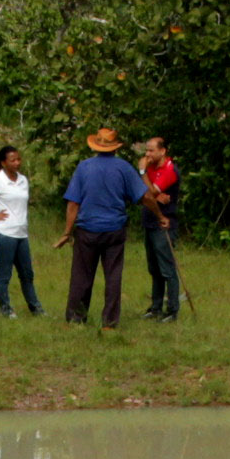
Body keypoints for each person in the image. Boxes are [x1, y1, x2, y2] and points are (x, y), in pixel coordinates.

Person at [60, 126, 149, 327]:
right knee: (113, 277)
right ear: (115, 148)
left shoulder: (84, 167)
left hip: (87, 229)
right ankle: (109, 322)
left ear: (96, 146)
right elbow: (143, 196)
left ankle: (76, 319)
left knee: (81, 276)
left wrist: (67, 231)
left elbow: (73, 203)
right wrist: (159, 214)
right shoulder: (124, 168)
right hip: (114, 229)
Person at [0, 143, 41, 318]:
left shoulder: (23, 180)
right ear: (4, 163)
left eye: (19, 159)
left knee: (27, 274)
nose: (17, 163)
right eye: (13, 160)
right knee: (5, 275)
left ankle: (36, 308)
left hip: (21, 234)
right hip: (4, 234)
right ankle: (5, 309)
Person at [137, 133, 183, 321]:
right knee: (153, 267)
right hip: (149, 220)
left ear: (162, 151)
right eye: (146, 150)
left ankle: (172, 309)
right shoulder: (151, 167)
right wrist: (153, 195)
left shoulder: (169, 170)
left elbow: (149, 191)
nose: (148, 154)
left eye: (151, 150)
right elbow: (141, 192)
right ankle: (155, 306)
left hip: (164, 222)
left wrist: (142, 173)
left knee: (166, 268)